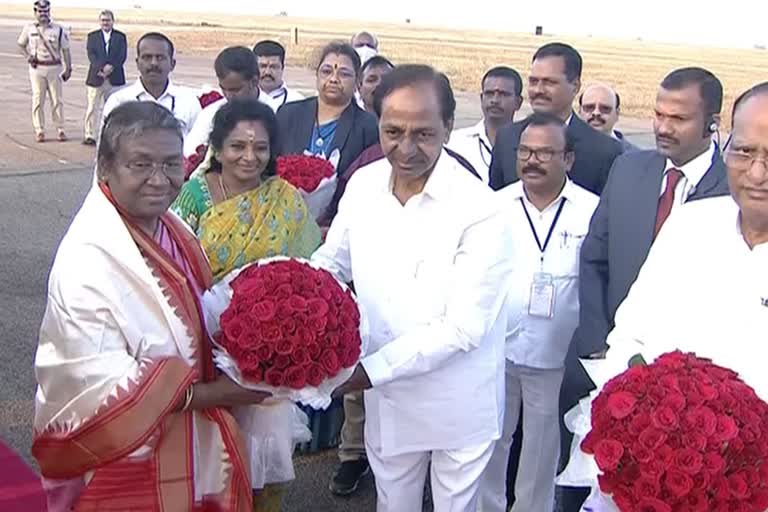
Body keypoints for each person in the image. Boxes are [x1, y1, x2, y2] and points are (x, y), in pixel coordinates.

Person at [31, 101, 268, 512]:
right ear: (105, 167)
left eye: (171, 164)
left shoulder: (169, 228)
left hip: (185, 438)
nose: (160, 180)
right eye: (140, 165)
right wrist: (220, 393)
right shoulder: (89, 257)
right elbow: (98, 386)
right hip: (122, 455)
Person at [561, 82, 768, 511]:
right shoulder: (692, 224)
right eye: (745, 151)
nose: (757, 174)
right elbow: (630, 334)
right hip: (648, 483)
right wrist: (640, 428)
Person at [316, 64, 513, 512]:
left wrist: (363, 374)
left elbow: (463, 328)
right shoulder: (364, 185)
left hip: (457, 399)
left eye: (423, 133)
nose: (406, 149)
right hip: (388, 399)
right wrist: (294, 300)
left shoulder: (481, 208)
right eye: (392, 131)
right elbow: (332, 262)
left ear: (448, 127)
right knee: (393, 504)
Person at [173, 98, 321, 511]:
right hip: (205, 342)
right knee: (211, 457)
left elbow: (306, 270)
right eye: (237, 146)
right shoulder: (194, 196)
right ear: (217, 149)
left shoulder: (285, 198)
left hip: (268, 345)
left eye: (260, 147)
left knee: (264, 457)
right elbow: (174, 267)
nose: (249, 156)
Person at [478, 113, 598, 512]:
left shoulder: (591, 210)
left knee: (542, 447)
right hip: (498, 347)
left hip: (555, 352)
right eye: (525, 151)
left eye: (545, 152)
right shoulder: (493, 207)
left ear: (568, 159)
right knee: (493, 439)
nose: (532, 160)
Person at [490, 43, 622, 195]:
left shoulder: (605, 151)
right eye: (533, 81)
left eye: (549, 82)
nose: (538, 90)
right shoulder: (507, 138)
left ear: (575, 86)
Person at [276, 42, 379, 181]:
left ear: (357, 83)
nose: (334, 79)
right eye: (326, 71)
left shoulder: (368, 127)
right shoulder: (288, 114)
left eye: (344, 74)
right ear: (317, 75)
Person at [103, 32, 200, 137]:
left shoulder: (188, 101)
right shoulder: (119, 101)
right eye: (147, 57)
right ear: (137, 63)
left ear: (172, 64)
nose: (154, 63)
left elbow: (197, 147)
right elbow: (105, 148)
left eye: (160, 57)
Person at [183, 46, 260, 164]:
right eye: (223, 88)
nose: (229, 96)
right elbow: (190, 153)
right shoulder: (210, 114)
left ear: (254, 81)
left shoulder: (279, 111)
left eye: (235, 90)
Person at [449, 66, 523, 184]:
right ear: (481, 97)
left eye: (503, 94)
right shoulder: (455, 142)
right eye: (489, 93)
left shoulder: (527, 145)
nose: (495, 100)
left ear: (518, 102)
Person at [17, 0, 72, 143]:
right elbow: (21, 45)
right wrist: (28, 56)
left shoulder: (58, 29)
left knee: (57, 100)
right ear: (35, 13)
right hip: (37, 69)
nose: (43, 14)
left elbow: (66, 50)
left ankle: (60, 129)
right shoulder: (29, 28)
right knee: (38, 100)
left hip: (54, 68)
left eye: (46, 11)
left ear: (49, 12)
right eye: (40, 12)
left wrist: (68, 68)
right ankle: (39, 129)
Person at [83, 9, 126, 145]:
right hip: (96, 77)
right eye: (103, 20)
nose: (105, 23)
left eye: (108, 20)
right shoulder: (92, 36)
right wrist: (102, 68)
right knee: (92, 108)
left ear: (113, 21)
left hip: (115, 79)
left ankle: (111, 135)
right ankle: (90, 135)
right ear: (99, 22)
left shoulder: (120, 37)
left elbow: (122, 56)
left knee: (114, 109)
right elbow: (92, 55)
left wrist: (111, 67)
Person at [578, 83, 638, 153]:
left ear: (617, 114)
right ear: (579, 111)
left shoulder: (634, 156)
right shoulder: (565, 150)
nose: (596, 113)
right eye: (589, 107)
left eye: (605, 109)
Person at [253, 40, 304, 113]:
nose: (267, 72)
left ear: (282, 68)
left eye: (273, 67)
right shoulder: (244, 99)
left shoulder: (297, 101)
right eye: (263, 66)